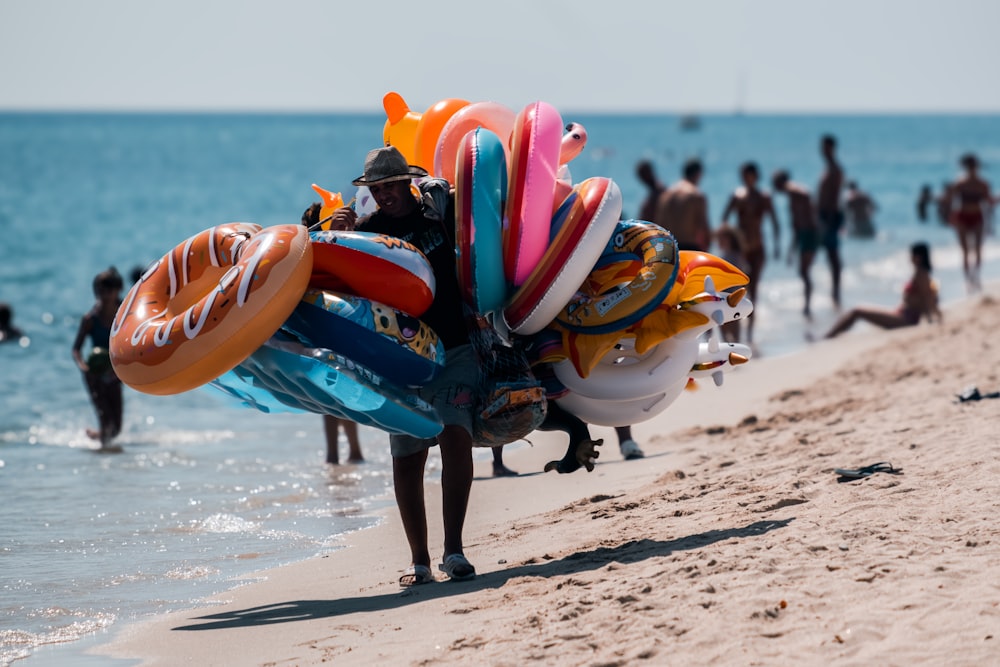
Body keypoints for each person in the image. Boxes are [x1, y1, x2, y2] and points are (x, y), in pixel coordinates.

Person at [328, 146, 477, 587]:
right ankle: (420, 562)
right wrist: (340, 238)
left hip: (454, 346)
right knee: (407, 459)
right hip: (401, 356)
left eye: (390, 186)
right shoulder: (368, 232)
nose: (385, 194)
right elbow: (347, 292)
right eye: (377, 189)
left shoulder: (439, 219)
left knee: (455, 439)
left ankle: (455, 551)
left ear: (407, 183)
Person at [301, 202, 366, 467]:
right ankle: (349, 452)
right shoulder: (319, 250)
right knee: (339, 392)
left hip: (331, 327)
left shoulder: (318, 250)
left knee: (332, 395)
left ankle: (340, 454)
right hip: (341, 326)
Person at [825, 242, 941, 338]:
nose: (909, 258)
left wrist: (932, 319)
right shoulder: (920, 273)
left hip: (905, 319)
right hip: (901, 315)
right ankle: (830, 335)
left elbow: (927, 298)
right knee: (858, 311)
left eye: (911, 255)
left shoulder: (921, 274)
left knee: (857, 311)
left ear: (918, 257)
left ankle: (828, 336)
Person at [719, 161, 779, 341]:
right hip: (741, 250)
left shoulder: (764, 196)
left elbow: (774, 220)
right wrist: (726, 242)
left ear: (755, 175)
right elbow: (725, 219)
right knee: (737, 291)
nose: (747, 178)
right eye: (744, 175)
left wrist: (777, 245)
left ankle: (750, 334)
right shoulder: (737, 196)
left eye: (749, 174)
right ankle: (735, 332)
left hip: (758, 248)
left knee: (754, 292)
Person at [71, 267, 125, 450]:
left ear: (118, 289)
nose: (105, 295)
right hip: (94, 374)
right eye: (101, 290)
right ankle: (104, 466)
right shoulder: (90, 319)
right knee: (105, 419)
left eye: (109, 290)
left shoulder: (125, 314)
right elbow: (76, 349)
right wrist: (83, 367)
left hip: (116, 372)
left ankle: (97, 435)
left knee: (116, 427)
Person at [772, 170, 820, 319]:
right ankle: (807, 305)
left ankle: (807, 306)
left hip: (809, 233)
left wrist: (811, 218)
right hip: (804, 233)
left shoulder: (792, 190)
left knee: (804, 271)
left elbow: (806, 196)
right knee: (804, 271)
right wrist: (791, 249)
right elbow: (796, 225)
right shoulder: (791, 194)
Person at [944, 153, 993, 292]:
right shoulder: (960, 183)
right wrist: (950, 216)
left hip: (977, 217)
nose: (972, 169)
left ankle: (976, 276)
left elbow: (989, 202)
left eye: (974, 166)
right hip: (962, 218)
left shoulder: (983, 184)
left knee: (977, 249)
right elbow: (950, 201)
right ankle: (968, 280)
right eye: (970, 166)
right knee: (965, 251)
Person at [653, 157, 711, 251]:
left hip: (669, 248)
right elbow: (703, 227)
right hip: (689, 247)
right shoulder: (696, 195)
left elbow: (659, 226)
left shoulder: (666, 195)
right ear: (698, 174)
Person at [816, 134, 845, 307]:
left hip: (830, 216)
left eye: (826, 147)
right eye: (822, 147)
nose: (823, 150)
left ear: (832, 148)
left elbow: (834, 196)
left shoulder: (835, 170)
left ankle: (836, 293)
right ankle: (834, 293)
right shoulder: (828, 168)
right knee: (830, 255)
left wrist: (828, 219)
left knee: (833, 256)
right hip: (825, 215)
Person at [713, 224, 750, 343]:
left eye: (720, 238)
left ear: (729, 239)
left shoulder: (734, 255)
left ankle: (733, 345)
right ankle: (731, 345)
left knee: (731, 322)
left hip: (732, 294)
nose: (718, 241)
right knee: (725, 323)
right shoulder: (727, 255)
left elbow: (743, 274)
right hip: (725, 295)